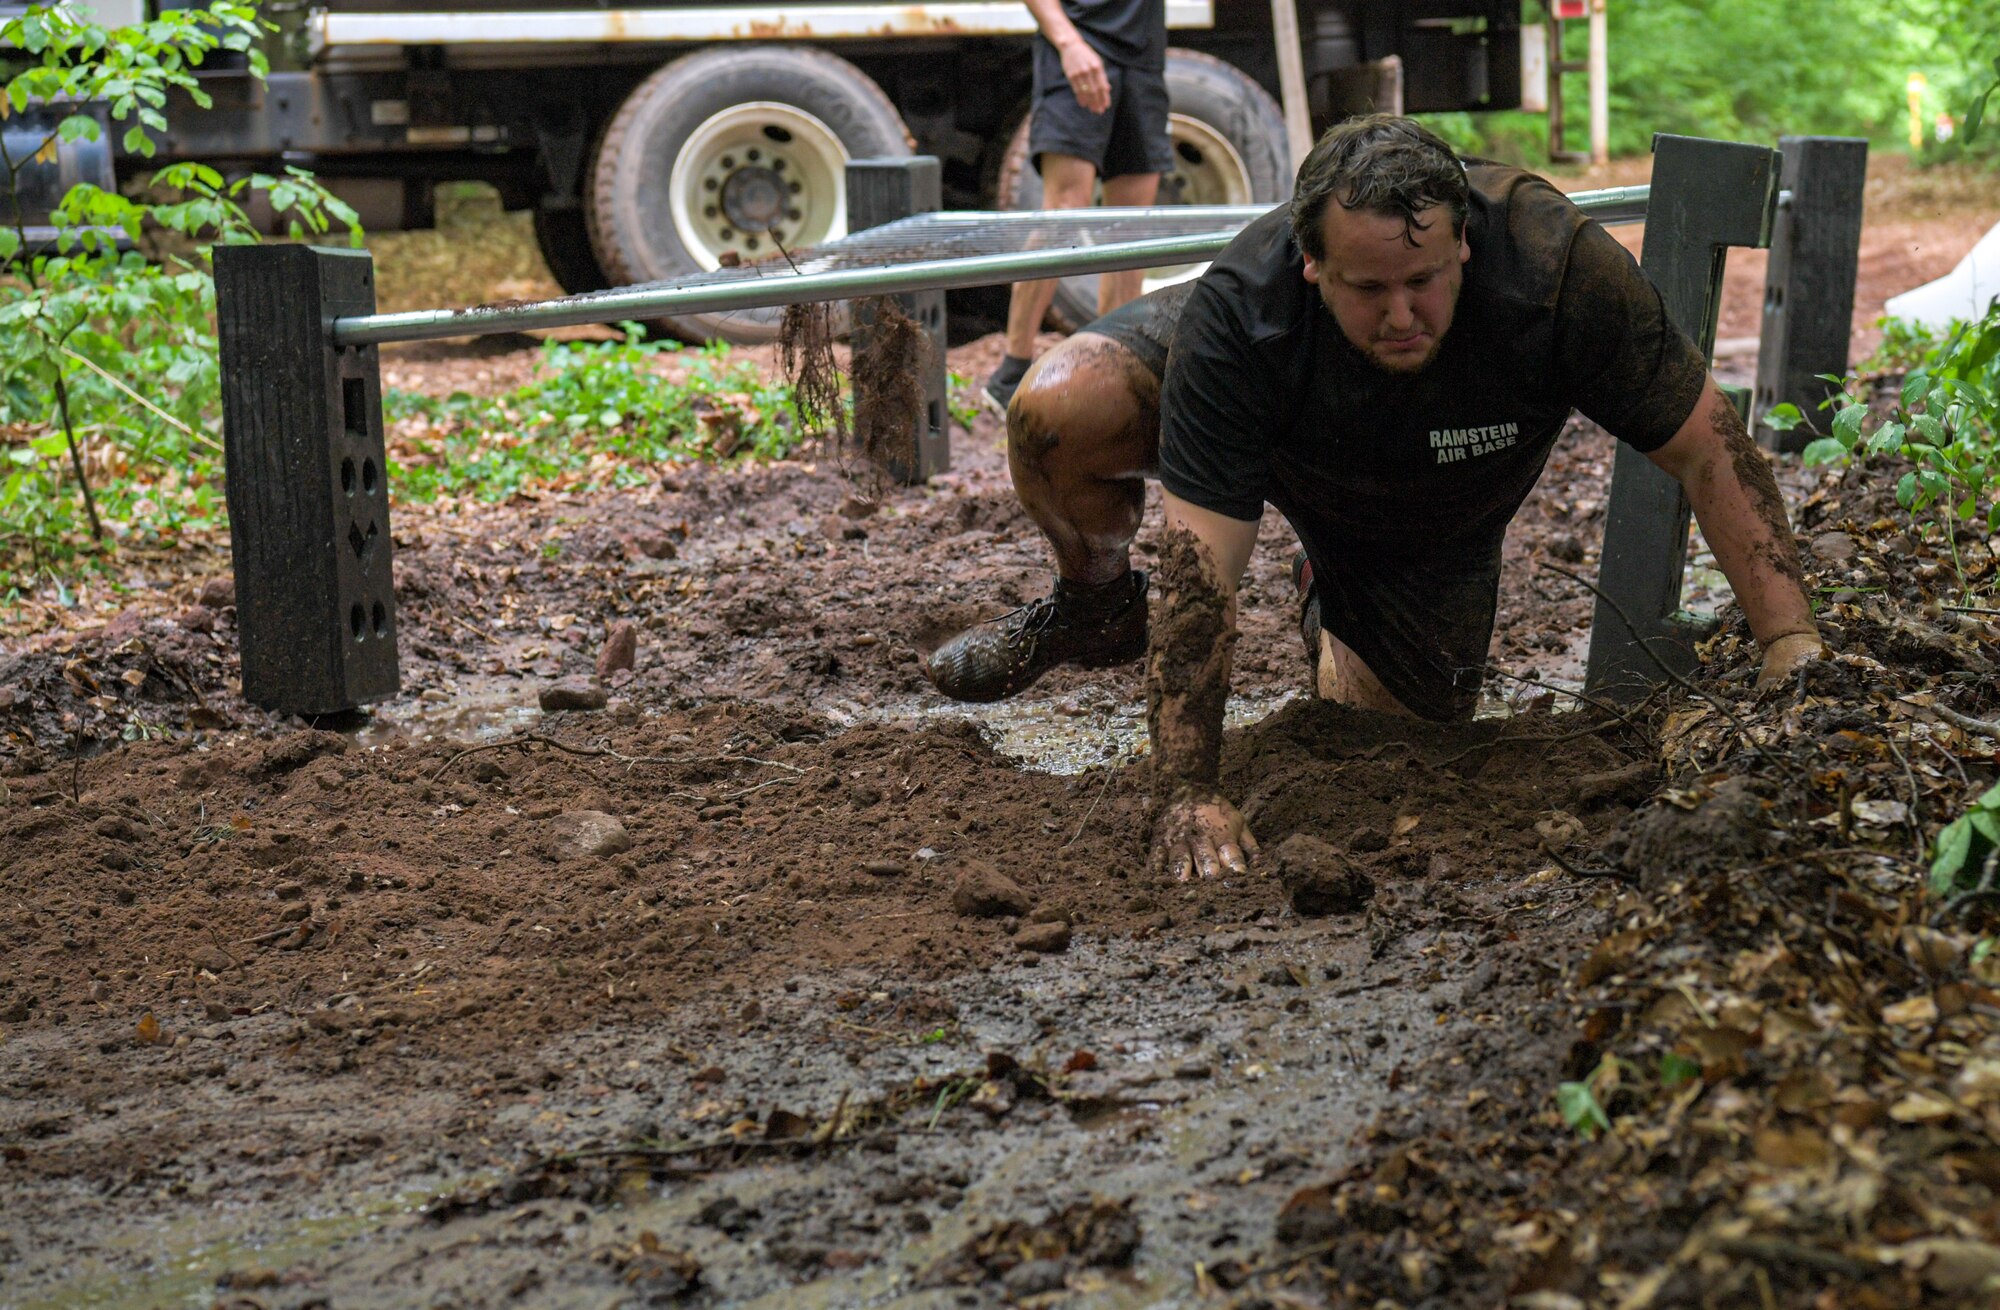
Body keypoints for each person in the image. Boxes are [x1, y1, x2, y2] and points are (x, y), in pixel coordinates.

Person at [926, 116, 1824, 876]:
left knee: (1383, 753)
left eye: (1423, 282)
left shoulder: (1557, 270)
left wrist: (1792, 645)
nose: (1401, 315)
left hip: (1425, 524)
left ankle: (1336, 599)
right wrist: (1188, 792)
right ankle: (1092, 605)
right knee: (1060, 409)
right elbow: (1203, 572)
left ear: (1465, 242)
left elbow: (1712, 450)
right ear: (1312, 265)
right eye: (1368, 288)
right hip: (1283, 426)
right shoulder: (1244, 311)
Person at [981, 0, 1173, 415]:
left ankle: (1112, 366)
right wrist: (1068, 43)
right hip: (1077, 45)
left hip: (1143, 57)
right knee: (1065, 214)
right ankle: (1011, 371)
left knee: (1130, 227)